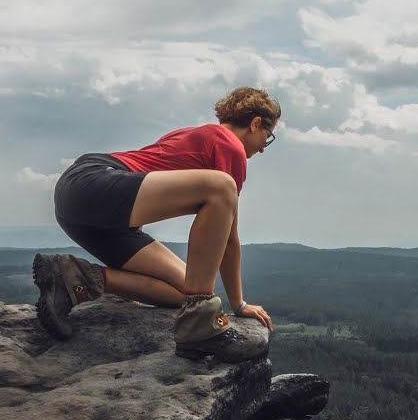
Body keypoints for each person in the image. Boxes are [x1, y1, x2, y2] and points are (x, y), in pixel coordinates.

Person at [33, 86, 278, 361]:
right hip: (92, 182)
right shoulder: (229, 145)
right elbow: (228, 239)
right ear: (256, 123)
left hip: (85, 210)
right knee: (222, 188)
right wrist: (238, 304)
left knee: (184, 290)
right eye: (267, 138)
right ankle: (200, 323)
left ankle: (76, 278)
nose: (263, 149)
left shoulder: (193, 134)